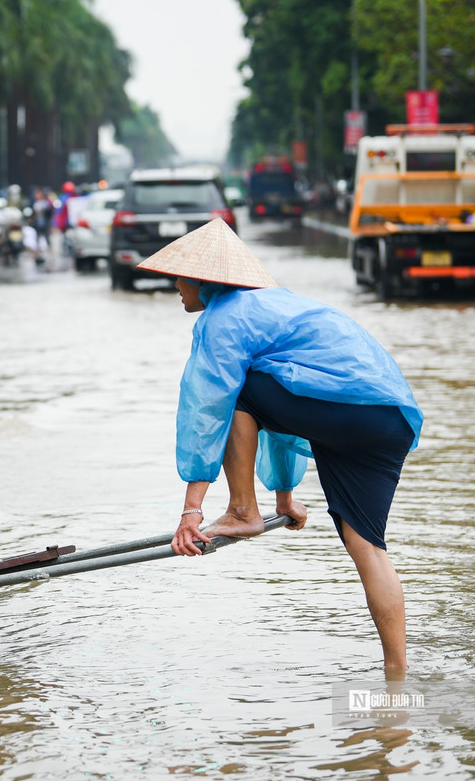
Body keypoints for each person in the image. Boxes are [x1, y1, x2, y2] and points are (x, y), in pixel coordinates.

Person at [138, 218, 423, 679]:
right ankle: (397, 678)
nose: (175, 284)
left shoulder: (222, 318)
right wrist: (286, 501)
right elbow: (288, 402)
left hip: (348, 409)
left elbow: (208, 410)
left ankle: (242, 510)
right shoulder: (277, 305)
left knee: (238, 390)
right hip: (389, 417)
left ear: (205, 280)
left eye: (180, 275)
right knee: (367, 546)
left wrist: (191, 512)